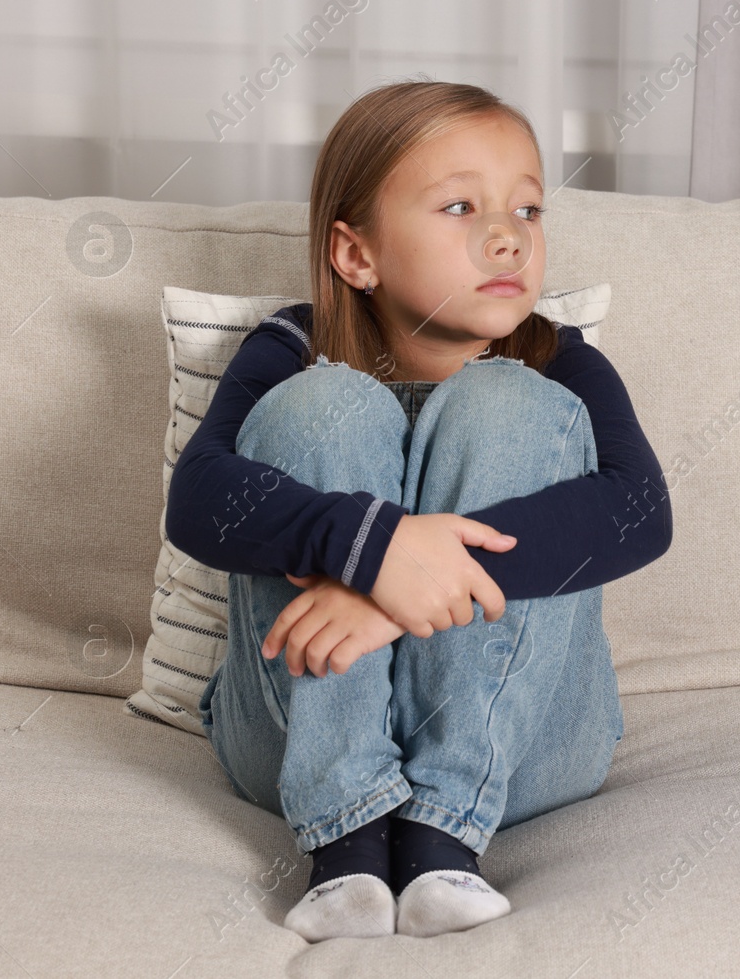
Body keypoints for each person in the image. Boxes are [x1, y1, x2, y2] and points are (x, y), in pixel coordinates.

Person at [166, 78, 673, 941]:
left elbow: (639, 511)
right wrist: (374, 548)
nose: (508, 236)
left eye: (529, 209)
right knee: (325, 406)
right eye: (460, 206)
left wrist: (386, 589)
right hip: (293, 740)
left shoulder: (559, 362)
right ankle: (347, 842)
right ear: (355, 254)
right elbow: (200, 501)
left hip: (525, 746)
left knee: (502, 402)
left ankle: (444, 834)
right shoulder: (288, 350)